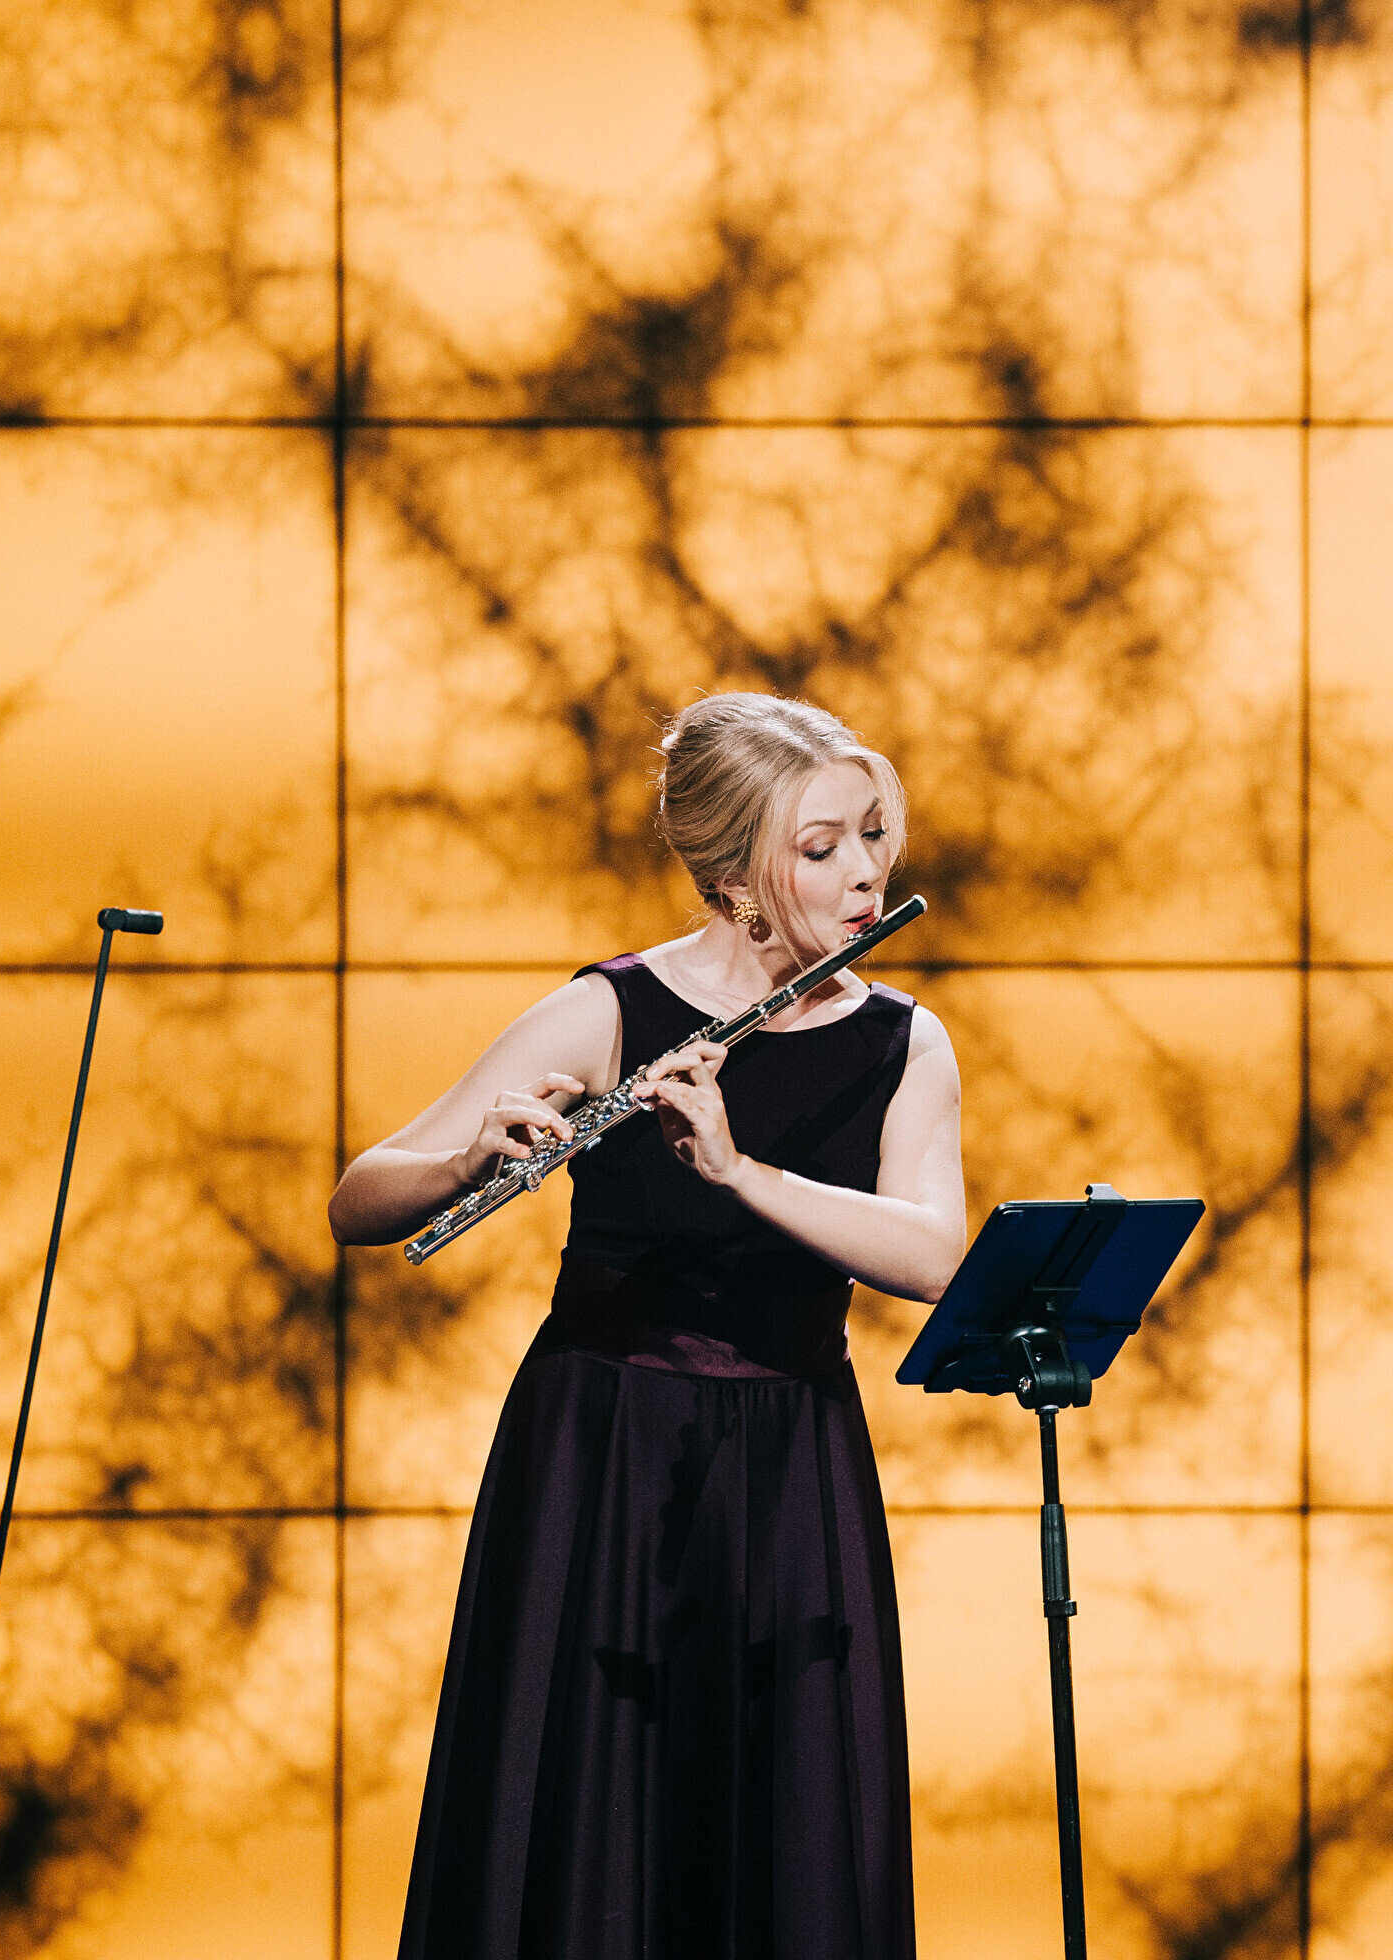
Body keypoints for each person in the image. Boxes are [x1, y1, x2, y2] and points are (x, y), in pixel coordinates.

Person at [331, 694, 965, 1960]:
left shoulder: (904, 1040)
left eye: (871, 834)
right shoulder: (613, 1006)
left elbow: (934, 1254)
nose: (865, 870)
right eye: (822, 845)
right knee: (587, 1801)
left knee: (783, 1809)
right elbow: (358, 1199)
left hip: (793, 1456)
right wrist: (469, 1156)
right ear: (732, 878)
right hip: (602, 1450)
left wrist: (740, 1172)